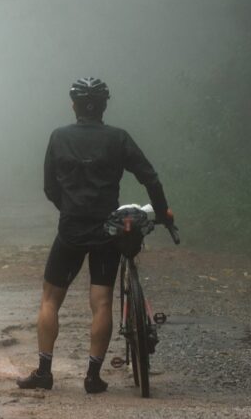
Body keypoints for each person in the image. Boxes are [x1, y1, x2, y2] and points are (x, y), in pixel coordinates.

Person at [17, 77, 174, 394]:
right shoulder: (118, 137)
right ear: (103, 106)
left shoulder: (59, 137)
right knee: (101, 302)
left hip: (71, 228)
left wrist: (69, 207)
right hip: (107, 229)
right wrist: (162, 210)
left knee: (50, 299)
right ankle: (92, 377)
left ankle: (44, 372)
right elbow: (150, 177)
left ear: (74, 105)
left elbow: (49, 186)